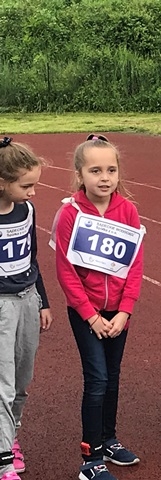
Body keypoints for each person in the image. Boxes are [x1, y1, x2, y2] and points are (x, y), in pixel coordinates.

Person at [53, 134, 145, 480]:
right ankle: (90, 458)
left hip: (118, 313)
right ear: (79, 174)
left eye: (111, 170)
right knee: (97, 379)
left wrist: (125, 311)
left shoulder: (128, 211)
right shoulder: (69, 214)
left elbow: (134, 265)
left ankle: (108, 439)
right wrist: (90, 316)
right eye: (95, 171)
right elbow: (66, 271)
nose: (104, 178)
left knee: (113, 378)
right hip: (85, 313)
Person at [0, 138, 52, 480]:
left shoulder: (27, 211)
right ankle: (3, 460)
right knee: (2, 386)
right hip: (2, 307)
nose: (32, 192)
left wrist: (42, 300)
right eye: (26, 186)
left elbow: (31, 257)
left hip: (28, 300)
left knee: (21, 381)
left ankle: (11, 437)